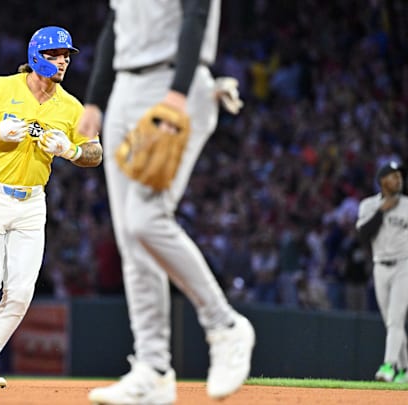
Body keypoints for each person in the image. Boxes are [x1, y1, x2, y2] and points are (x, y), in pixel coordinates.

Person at [77, 1, 255, 403]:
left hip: (174, 81)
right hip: (125, 85)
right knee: (129, 237)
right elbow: (114, 23)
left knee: (145, 220)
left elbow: (196, 14)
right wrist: (95, 99)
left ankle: (224, 325)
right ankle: (153, 369)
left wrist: (179, 90)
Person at [0, 26, 103, 388]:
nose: (63, 61)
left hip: (32, 203)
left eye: (66, 56)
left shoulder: (72, 106)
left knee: (21, 293)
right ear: (35, 56)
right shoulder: (0, 88)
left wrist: (71, 150)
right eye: (55, 55)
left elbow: (96, 152)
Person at [356, 161, 408, 383]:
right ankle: (405, 371)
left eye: (399, 176)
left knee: (396, 320)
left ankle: (388, 366)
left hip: (404, 265)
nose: (398, 179)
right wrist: (381, 211)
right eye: (392, 176)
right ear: (381, 181)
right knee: (391, 322)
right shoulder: (368, 205)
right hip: (380, 267)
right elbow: (363, 235)